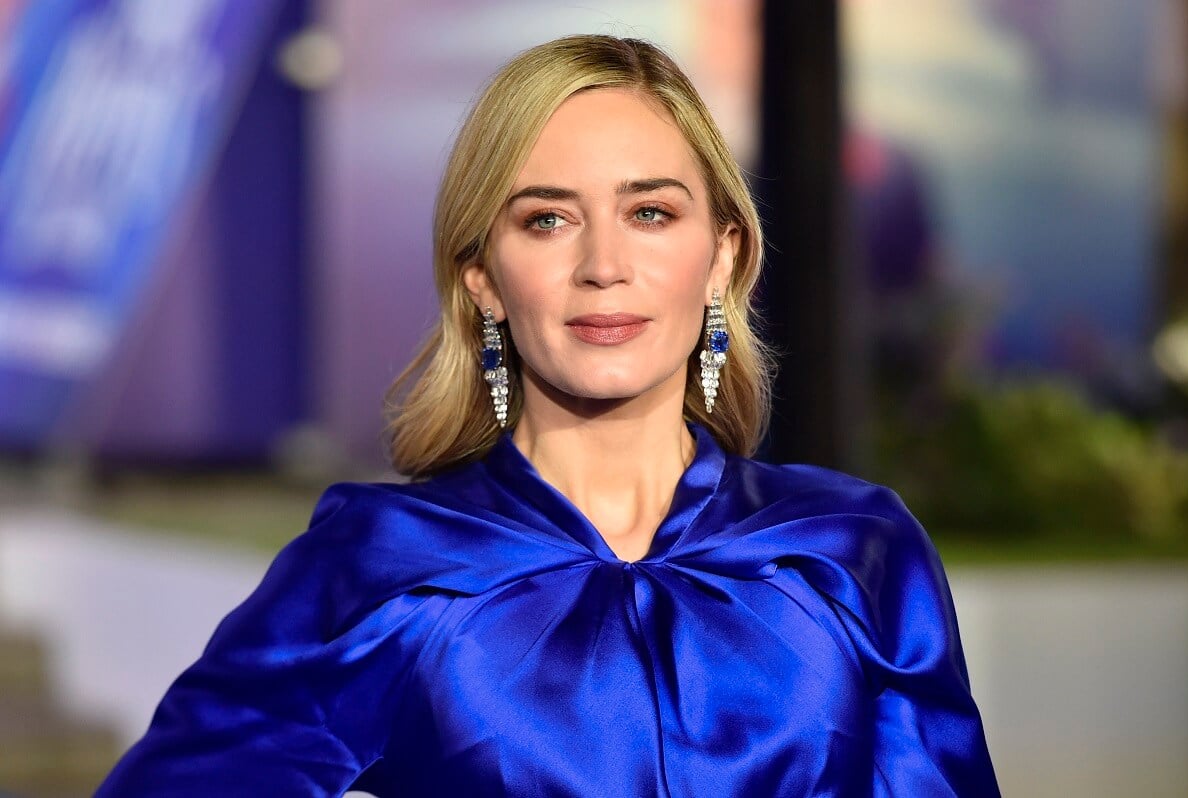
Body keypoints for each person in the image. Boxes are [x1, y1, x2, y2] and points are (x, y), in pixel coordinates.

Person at [97, 35, 1001, 796]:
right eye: (546, 221)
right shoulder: (382, 566)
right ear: (481, 277)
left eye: (650, 212)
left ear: (722, 256)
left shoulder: (851, 550)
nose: (604, 264)